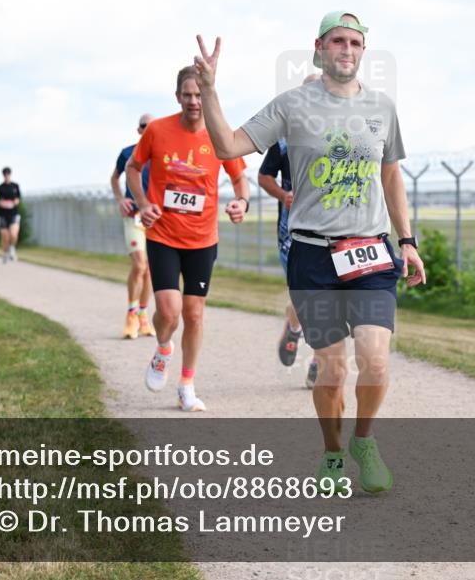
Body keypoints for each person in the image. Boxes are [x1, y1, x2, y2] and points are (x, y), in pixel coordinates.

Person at [194, 11, 426, 494]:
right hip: (313, 255)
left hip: (370, 252)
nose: (346, 49)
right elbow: (228, 145)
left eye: (355, 43)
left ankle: (364, 440)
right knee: (333, 366)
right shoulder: (292, 104)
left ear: (364, 51)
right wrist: (210, 90)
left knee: (376, 359)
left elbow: (390, 176)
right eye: (337, 41)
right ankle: (334, 452)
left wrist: (407, 240)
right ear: (319, 48)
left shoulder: (382, 108)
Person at [126, 66, 250, 412]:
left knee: (194, 315)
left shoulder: (218, 135)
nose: (194, 101)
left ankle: (186, 384)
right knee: (169, 311)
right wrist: (144, 203)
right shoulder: (157, 130)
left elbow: (241, 180)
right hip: (163, 233)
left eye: (199, 95)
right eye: (187, 95)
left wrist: (242, 202)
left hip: (202, 239)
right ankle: (163, 348)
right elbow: (133, 169)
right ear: (177, 96)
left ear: (207, 95)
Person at [257, 73, 321, 386]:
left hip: (329, 231)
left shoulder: (339, 136)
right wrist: (284, 195)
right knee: (305, 294)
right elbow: (264, 176)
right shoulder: (283, 141)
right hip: (292, 232)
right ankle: (294, 328)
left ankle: (319, 363)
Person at [112, 115, 156, 338]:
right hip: (134, 216)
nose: (148, 129)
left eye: (152, 126)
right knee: (140, 265)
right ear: (138, 130)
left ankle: (143, 315)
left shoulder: (162, 152)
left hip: (156, 217)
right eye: (144, 126)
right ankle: (131, 315)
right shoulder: (128, 153)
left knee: (149, 269)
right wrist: (121, 199)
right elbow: (115, 178)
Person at [0, 167, 22, 264]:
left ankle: (12, 248)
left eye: (8, 174)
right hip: (2, 215)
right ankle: (5, 253)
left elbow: (18, 198)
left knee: (13, 234)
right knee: (5, 237)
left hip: (14, 213)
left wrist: (16, 201)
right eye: (5, 174)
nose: (7, 175)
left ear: (10, 174)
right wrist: (0, 203)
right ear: (3, 175)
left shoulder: (15, 186)